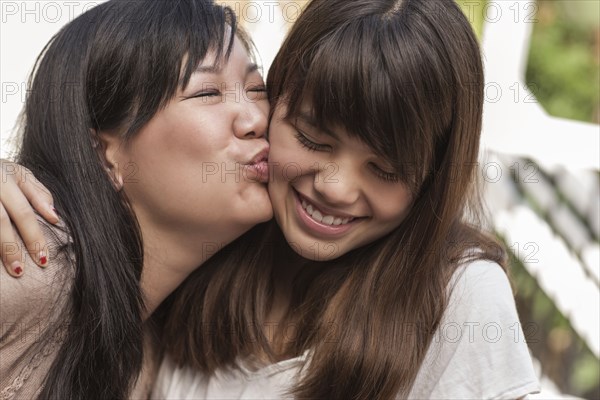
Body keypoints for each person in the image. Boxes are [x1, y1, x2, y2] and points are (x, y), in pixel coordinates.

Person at [3, 0, 540, 398]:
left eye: (385, 169)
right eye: (311, 138)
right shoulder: (53, 270)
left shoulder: (457, 292)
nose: (334, 187)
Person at [0, 0, 271, 398]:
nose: (256, 120)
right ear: (102, 155)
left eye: (257, 89)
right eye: (208, 92)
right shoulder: (29, 269)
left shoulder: (161, 346)